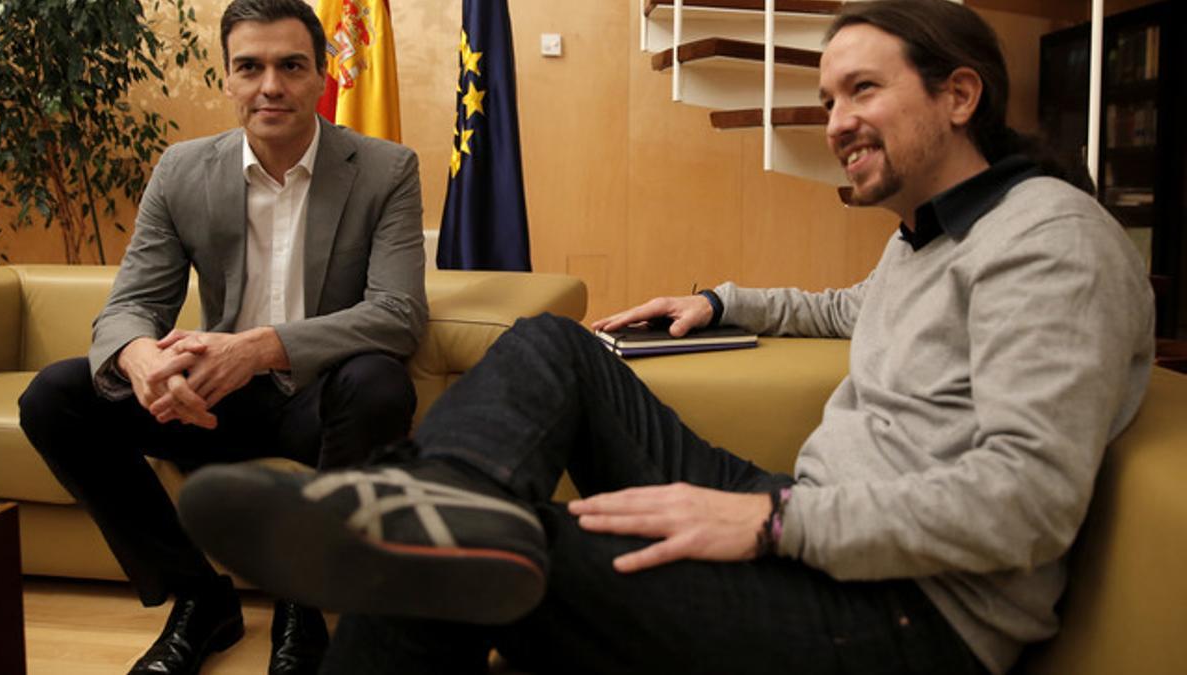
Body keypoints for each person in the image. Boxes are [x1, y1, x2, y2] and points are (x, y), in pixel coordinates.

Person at [176, 1, 1153, 673]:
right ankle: (430, 508)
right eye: (825, 100)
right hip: (819, 528)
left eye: (861, 91)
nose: (836, 120)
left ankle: (417, 530)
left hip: (908, 617)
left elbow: (1028, 503)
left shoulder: (1051, 243)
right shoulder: (934, 236)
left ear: (960, 94)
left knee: (510, 560)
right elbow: (849, 311)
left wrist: (771, 526)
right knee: (555, 347)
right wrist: (720, 303)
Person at [17, 0, 426, 673]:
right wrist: (139, 355)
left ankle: (306, 603)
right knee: (56, 394)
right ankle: (199, 597)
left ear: (322, 76)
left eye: (291, 66)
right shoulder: (182, 171)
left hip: (318, 402)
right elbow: (129, 305)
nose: (271, 85)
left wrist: (260, 346)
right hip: (210, 404)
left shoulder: (384, 169)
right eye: (251, 67)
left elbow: (398, 314)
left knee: (378, 379)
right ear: (228, 80)